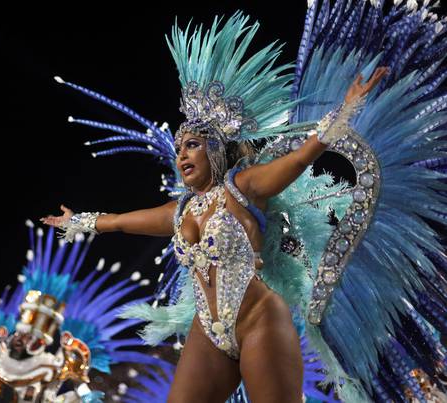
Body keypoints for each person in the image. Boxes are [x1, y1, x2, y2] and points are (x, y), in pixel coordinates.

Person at [44, 3, 447, 402]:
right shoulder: (181, 210)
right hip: (209, 331)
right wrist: (78, 220)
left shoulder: (243, 187)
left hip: (259, 322)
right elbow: (119, 222)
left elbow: (299, 158)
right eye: (179, 148)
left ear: (216, 151)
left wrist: (346, 111)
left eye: (193, 145)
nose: (181, 155)